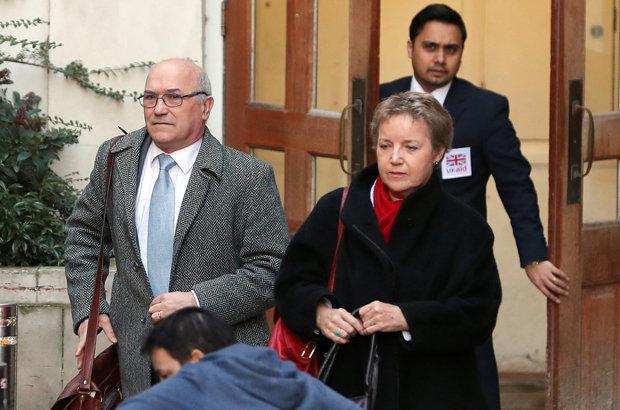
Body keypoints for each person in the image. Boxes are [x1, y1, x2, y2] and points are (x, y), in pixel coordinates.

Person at [379, 5, 569, 408]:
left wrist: (533, 256)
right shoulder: (381, 98)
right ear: (410, 46)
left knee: (470, 356)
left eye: (452, 48)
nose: (440, 57)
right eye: (430, 46)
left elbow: (515, 184)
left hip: (457, 259)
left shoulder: (486, 109)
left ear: (462, 52)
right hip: (389, 250)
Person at [64, 59, 290, 398]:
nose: (158, 109)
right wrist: (88, 311)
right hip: (138, 360)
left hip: (219, 361)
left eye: (173, 97)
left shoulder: (247, 176)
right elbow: (84, 236)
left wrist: (197, 300)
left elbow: (273, 271)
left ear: (205, 106)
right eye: (150, 98)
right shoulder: (115, 158)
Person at [275, 92, 502, 410]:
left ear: (437, 152)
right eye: (385, 146)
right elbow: (291, 282)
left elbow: (478, 313)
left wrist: (407, 317)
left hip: (434, 392)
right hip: (345, 388)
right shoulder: (336, 208)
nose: (395, 158)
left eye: (410, 147)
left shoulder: (466, 228)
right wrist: (320, 312)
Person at [117, 307, 361, 410]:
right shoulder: (280, 371)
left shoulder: (203, 374)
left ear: (197, 359)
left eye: (168, 375)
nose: (165, 385)